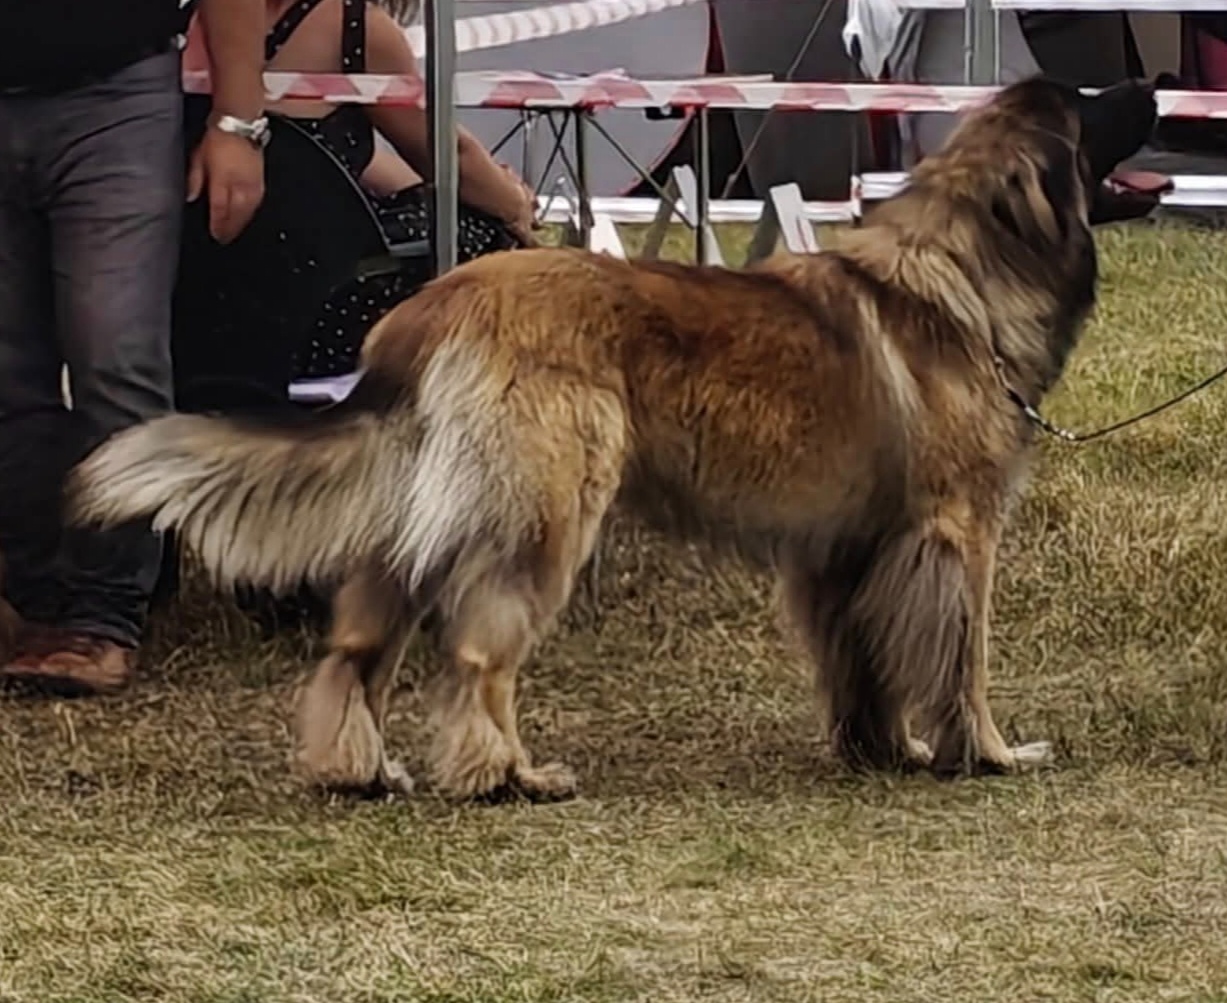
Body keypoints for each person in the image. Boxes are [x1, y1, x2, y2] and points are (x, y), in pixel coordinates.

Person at [0, 0, 268, 696]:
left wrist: (237, 123)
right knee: (7, 375)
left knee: (117, 359)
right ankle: (39, 601)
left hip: (115, 95)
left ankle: (102, 614)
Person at [177, 0, 539, 394]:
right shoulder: (357, 29)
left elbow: (322, 153)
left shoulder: (182, 20)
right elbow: (447, 155)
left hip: (186, 280)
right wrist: (514, 204)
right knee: (485, 235)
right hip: (307, 300)